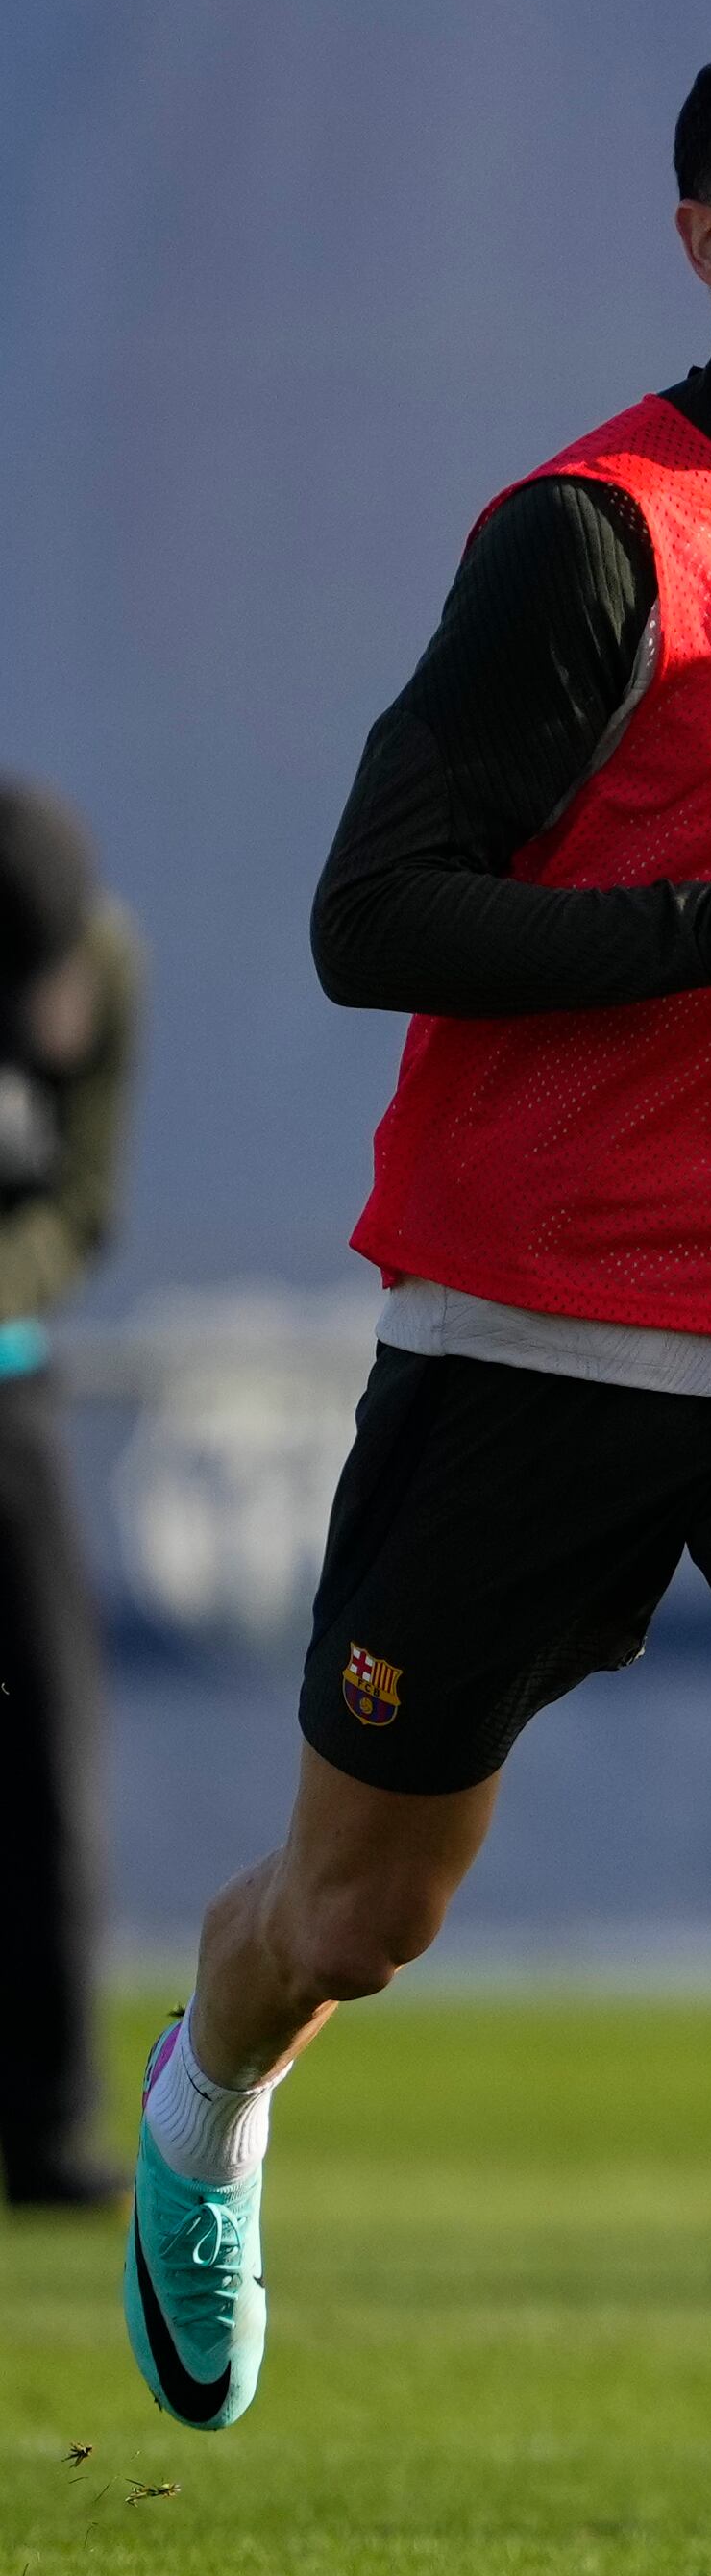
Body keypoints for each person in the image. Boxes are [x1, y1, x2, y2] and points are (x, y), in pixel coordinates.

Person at [125, 9, 711, 2576]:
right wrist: (707, 931)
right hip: (543, 1328)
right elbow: (367, 916)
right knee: (356, 1910)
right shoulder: (592, 540)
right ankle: (209, 2089)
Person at [0, 780, 141, 2213]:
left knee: (46, 1755)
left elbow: (79, 1200)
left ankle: (43, 2123)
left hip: (7, 1383)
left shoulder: (103, 960)